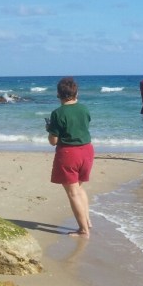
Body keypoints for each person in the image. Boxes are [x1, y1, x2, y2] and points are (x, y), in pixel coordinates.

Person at [46, 77, 94, 237]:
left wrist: (49, 130)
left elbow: (53, 141)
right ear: (76, 93)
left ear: (58, 94)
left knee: (73, 193)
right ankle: (87, 221)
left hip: (69, 153)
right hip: (87, 150)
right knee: (79, 188)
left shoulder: (57, 113)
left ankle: (83, 230)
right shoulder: (84, 109)